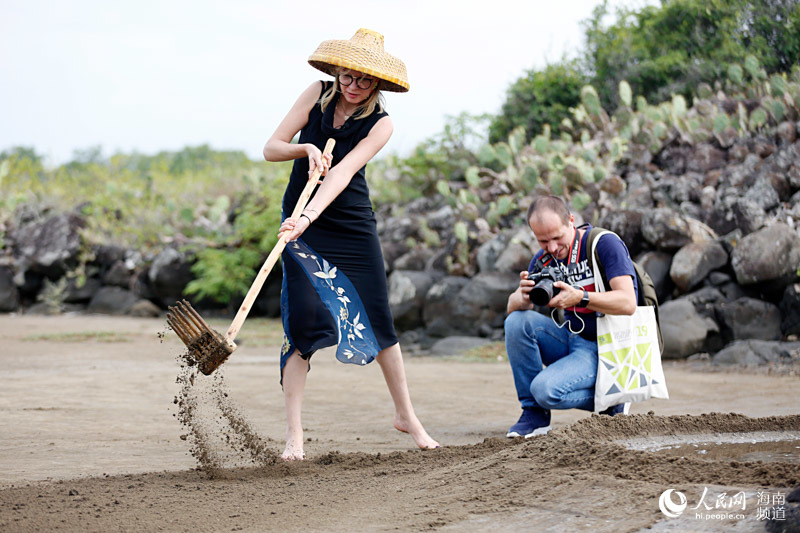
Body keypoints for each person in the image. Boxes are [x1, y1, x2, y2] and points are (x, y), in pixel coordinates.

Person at [262, 28, 439, 460]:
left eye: (364, 81)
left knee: (378, 318)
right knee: (302, 320)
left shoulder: (381, 123)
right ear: (337, 71)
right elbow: (271, 148)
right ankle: (295, 435)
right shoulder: (316, 93)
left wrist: (307, 216)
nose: (353, 87)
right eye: (347, 77)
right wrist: (305, 150)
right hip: (302, 223)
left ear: (377, 84)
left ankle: (406, 416)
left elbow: (341, 175)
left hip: (349, 225)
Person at [504, 195, 638, 438]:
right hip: (572, 338)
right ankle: (535, 415)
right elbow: (513, 309)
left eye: (557, 238)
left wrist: (581, 297)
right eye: (543, 241)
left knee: (543, 390)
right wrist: (520, 298)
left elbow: (628, 302)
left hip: (607, 346)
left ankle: (615, 398)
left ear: (571, 222)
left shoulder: (604, 244)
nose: (552, 248)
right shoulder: (544, 259)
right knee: (516, 321)